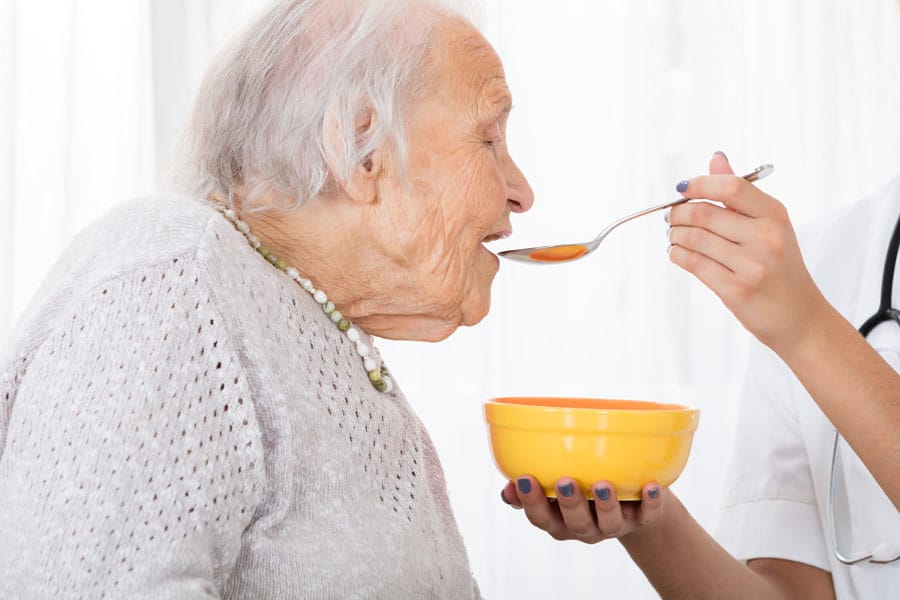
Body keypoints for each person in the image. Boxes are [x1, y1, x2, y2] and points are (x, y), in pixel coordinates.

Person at [0, 0, 533, 597]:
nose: (521, 192)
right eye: (489, 139)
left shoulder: (305, 325)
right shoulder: (169, 278)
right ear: (362, 147)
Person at [502, 150, 900, 598]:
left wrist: (810, 331)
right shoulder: (814, 263)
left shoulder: (799, 305)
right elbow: (793, 591)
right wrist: (644, 514)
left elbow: (805, 325)